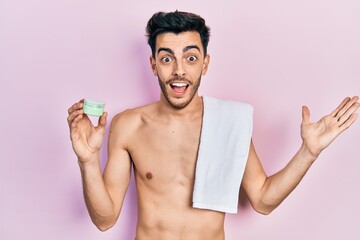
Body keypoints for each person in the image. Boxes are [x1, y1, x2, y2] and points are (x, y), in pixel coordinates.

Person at [67, 10, 359, 240]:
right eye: (167, 58)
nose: (179, 70)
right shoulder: (128, 125)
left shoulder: (230, 120)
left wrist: (309, 151)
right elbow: (105, 220)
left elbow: (263, 200)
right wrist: (88, 160)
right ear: (154, 64)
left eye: (190, 58)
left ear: (205, 64)